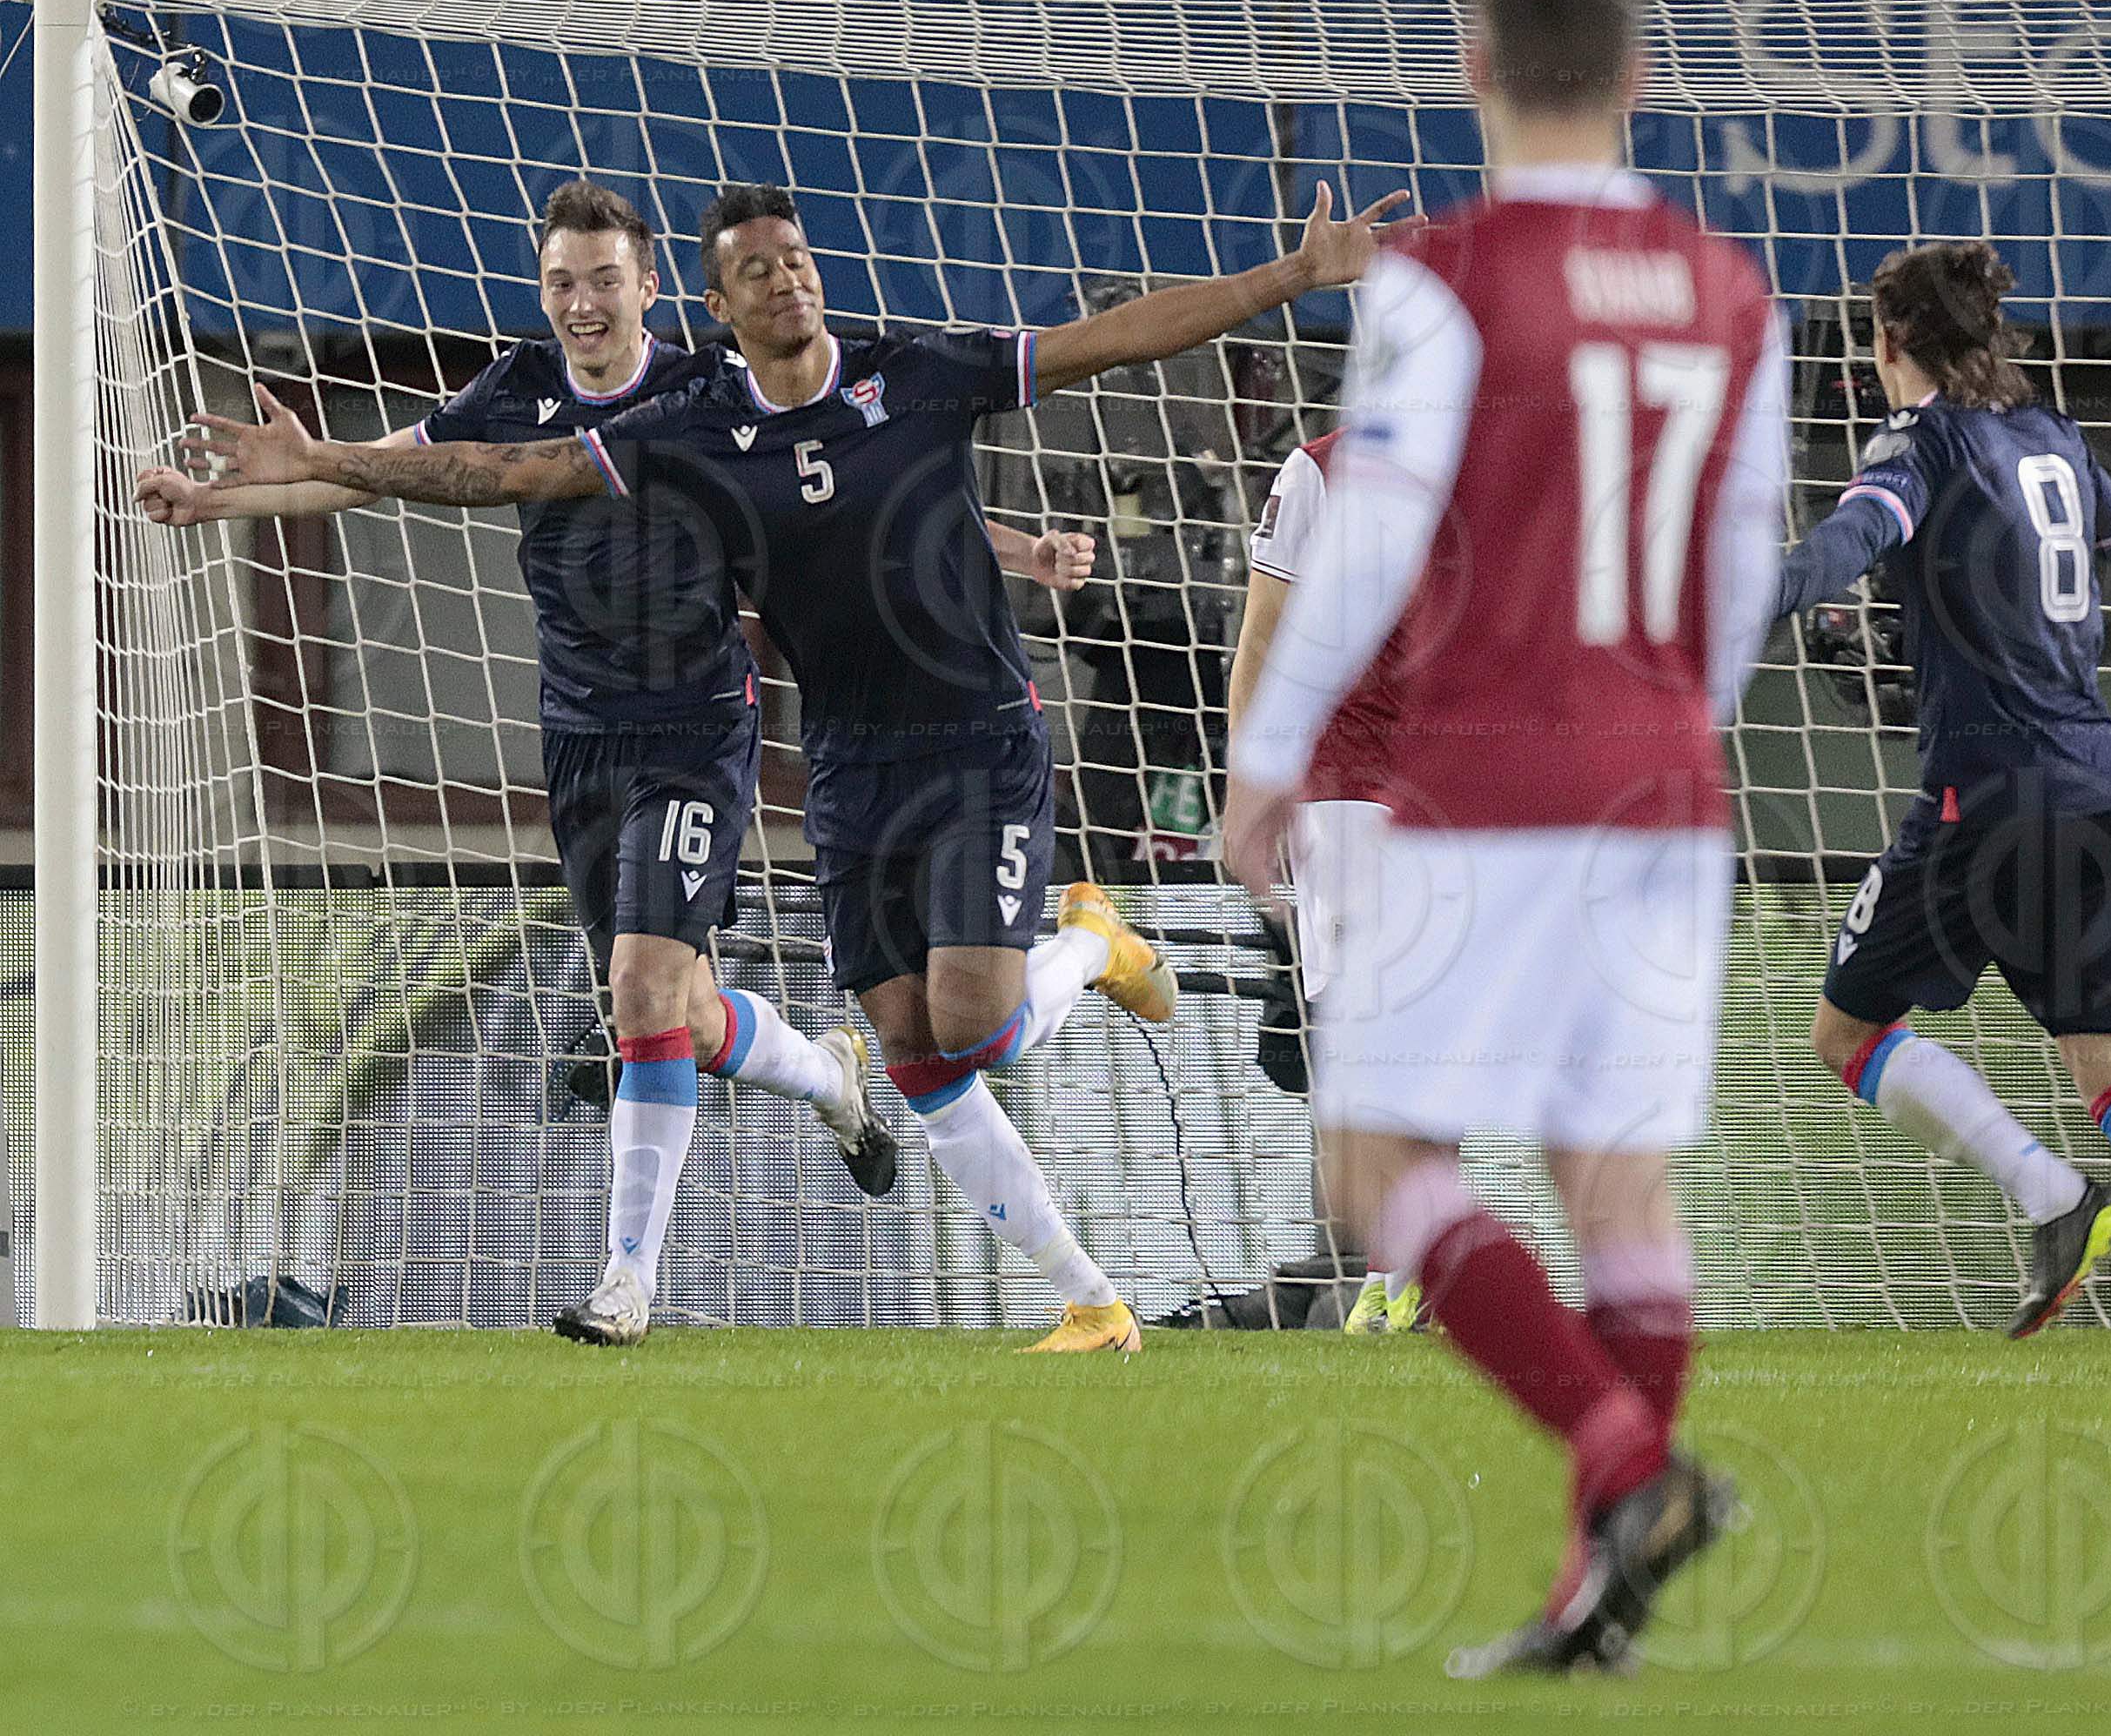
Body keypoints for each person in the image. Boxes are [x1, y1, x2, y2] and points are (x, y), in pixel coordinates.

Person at [195, 172, 1418, 1354]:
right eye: (756, 270)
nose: (785, 280)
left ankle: (1089, 945)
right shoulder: (690, 427)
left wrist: (1290, 279)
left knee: (968, 1030)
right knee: (909, 1050)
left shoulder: (917, 369)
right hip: (840, 761)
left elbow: (1117, 338)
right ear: (720, 309)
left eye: (796, 259)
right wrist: (323, 465)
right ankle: (1094, 1304)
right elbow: (507, 472)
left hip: (972, 741)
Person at [1223, 0, 1788, 1674]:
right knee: (1619, 1186)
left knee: (1381, 1156)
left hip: (1485, 779)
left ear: (1471, 66)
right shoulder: (1730, 285)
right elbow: (1747, 554)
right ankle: (1596, 1596)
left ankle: (1625, 1463)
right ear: (1636, 72)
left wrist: (1263, 759)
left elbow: (1378, 530)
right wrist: (1672, 725)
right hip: (1662, 779)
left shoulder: (1444, 280)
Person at [1770, 238, 2111, 1361]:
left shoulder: (1920, 443)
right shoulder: (2052, 439)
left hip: (1987, 798)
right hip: (2101, 795)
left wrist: (1754, 594)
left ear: (1889, 343)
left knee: (1842, 1029)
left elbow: (1851, 538)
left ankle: (2051, 1197)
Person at [1226, 426, 1417, 1335]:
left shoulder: (1509, 457)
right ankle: (1398, 1269)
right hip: (1346, 782)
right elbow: (1262, 635)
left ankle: (1403, 1268)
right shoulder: (1318, 469)